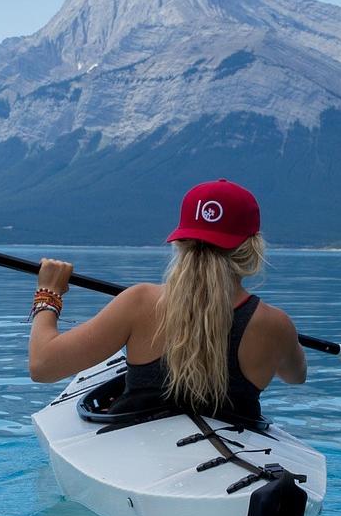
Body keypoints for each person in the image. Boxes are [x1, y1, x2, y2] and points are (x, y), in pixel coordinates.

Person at [26, 179, 305, 422]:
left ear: (180, 242)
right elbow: (296, 376)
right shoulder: (275, 325)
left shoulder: (140, 302)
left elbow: (43, 366)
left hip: (139, 449)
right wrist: (282, 342)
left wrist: (48, 294)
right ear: (252, 249)